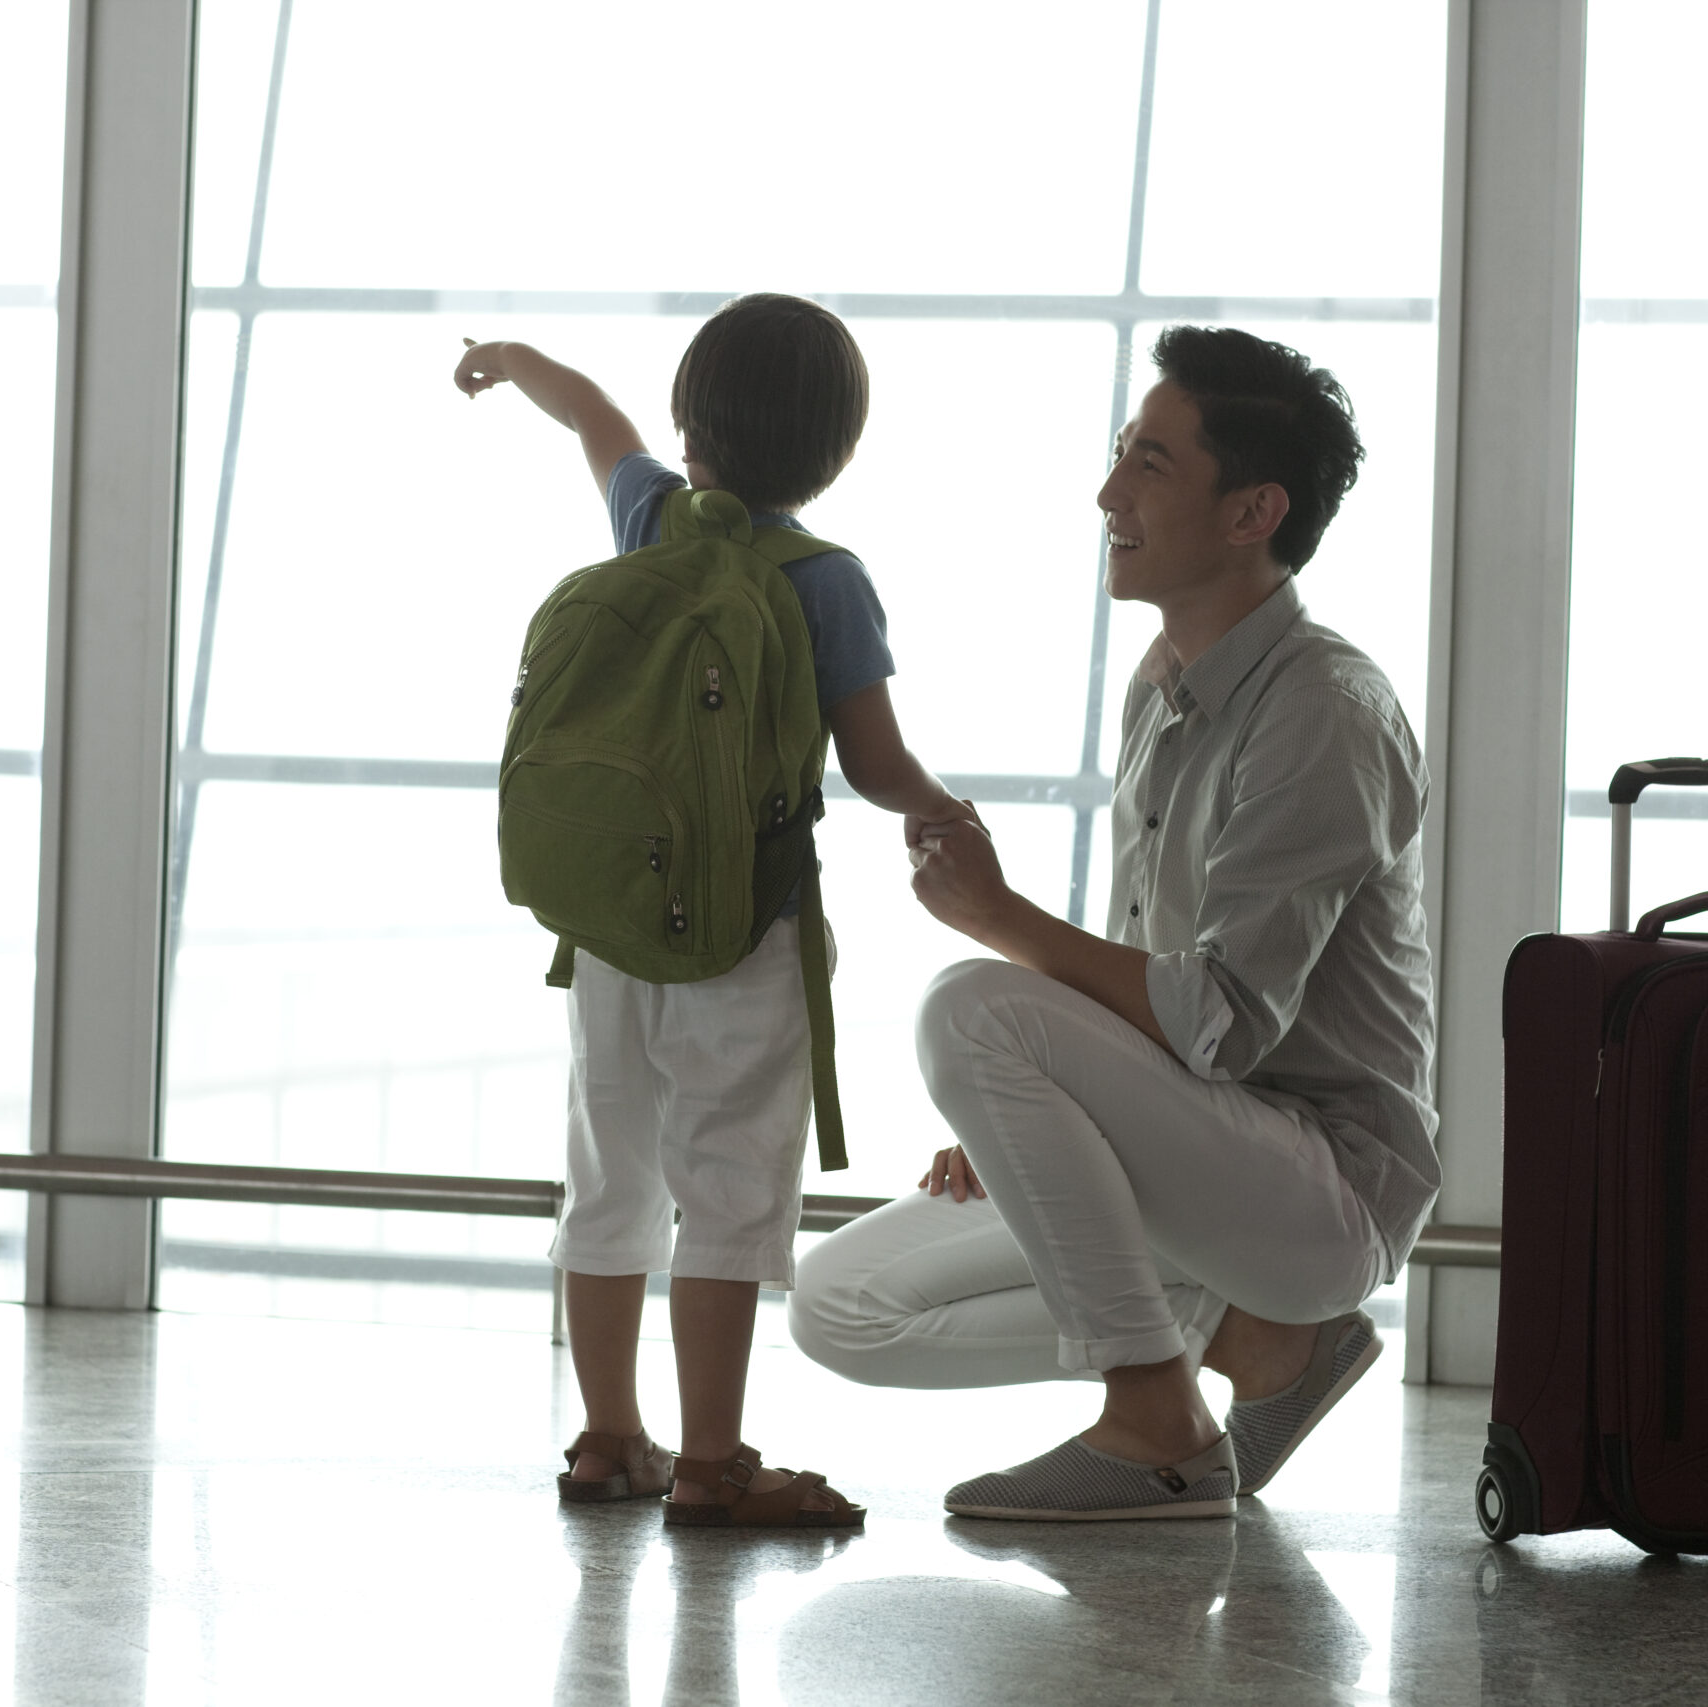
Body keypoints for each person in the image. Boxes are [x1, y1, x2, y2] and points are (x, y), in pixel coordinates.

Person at [787, 325, 1438, 1521]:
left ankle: (1160, 1423)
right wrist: (1033, 1123)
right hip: (1199, 1158)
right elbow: (1142, 973)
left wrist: (995, 919)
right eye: (1118, 454)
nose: (1107, 493)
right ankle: (1265, 1344)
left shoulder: (1325, 714)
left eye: (1149, 463)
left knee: (969, 1002)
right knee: (836, 1305)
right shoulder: (1166, 679)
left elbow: (1217, 1021)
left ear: (1252, 514)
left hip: (1316, 1191)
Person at [455, 294, 968, 1527]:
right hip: (744, 932)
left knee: (608, 1176)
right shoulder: (823, 579)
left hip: (610, 929)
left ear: (691, 426)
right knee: (731, 1188)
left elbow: (592, 416)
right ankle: (712, 1460)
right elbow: (874, 762)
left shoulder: (648, 518)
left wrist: (509, 359)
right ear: (834, 452)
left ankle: (605, 1440)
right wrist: (948, 813)